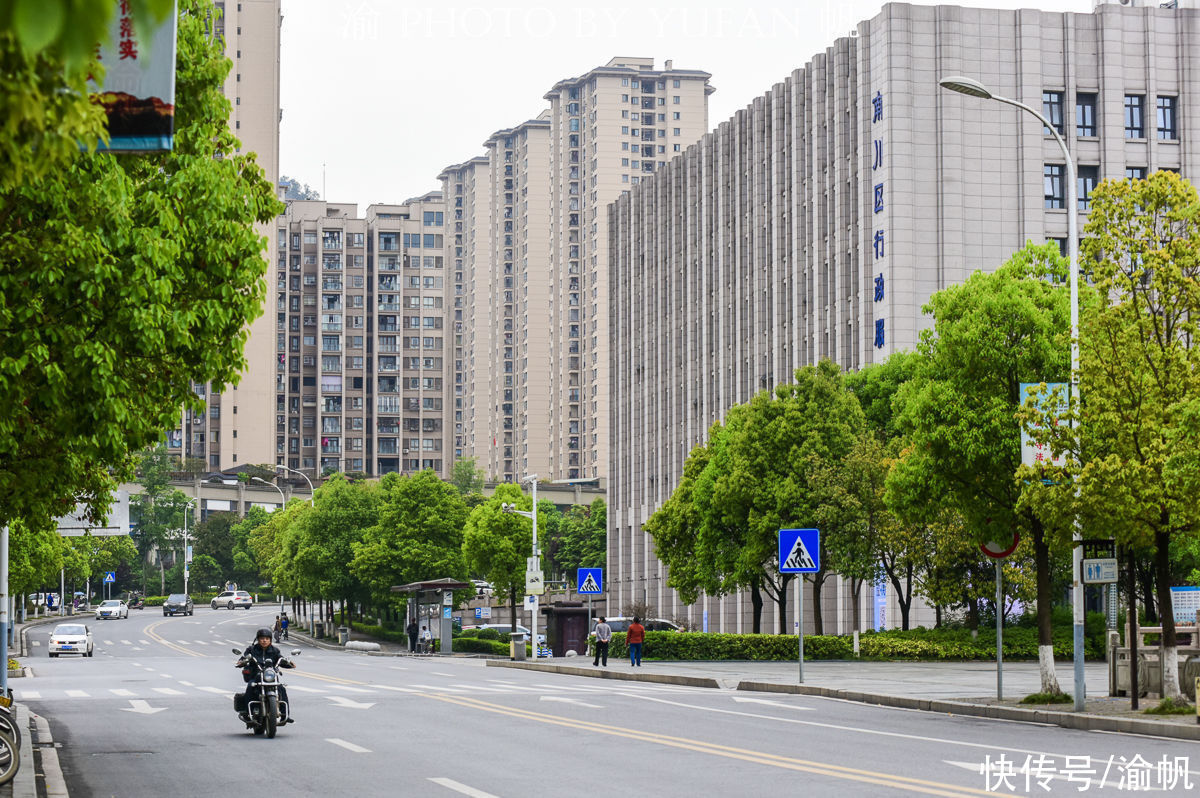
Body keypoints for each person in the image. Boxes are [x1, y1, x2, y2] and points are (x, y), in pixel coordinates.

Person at [238, 628, 296, 724]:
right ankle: (249, 713)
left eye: (267, 639)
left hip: (271, 676)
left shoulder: (274, 650)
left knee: (282, 688)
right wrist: (241, 662)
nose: (264, 640)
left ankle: (285, 715)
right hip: (256, 675)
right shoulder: (252, 649)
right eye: (262, 638)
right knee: (250, 687)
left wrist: (289, 663)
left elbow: (280, 659)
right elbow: (244, 657)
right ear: (258, 639)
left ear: (270, 640)